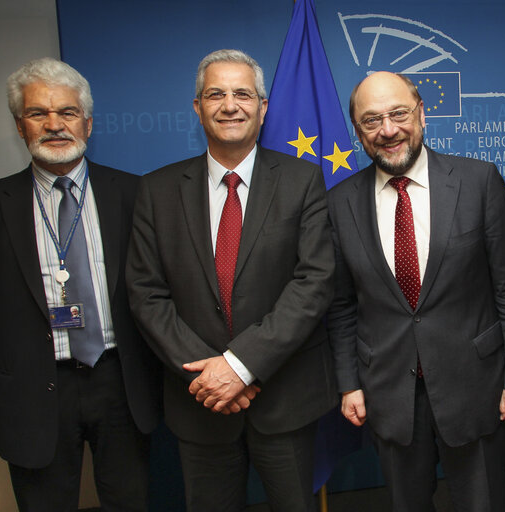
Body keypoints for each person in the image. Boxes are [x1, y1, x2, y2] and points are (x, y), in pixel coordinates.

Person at [125, 49, 336, 512]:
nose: (230, 105)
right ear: (197, 107)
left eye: (243, 93)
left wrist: (239, 366)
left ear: (263, 107)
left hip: (284, 398)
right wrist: (209, 374)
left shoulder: (303, 180)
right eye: (215, 94)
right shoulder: (157, 190)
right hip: (200, 403)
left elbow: (314, 282)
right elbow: (146, 293)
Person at [328, 71, 505, 512]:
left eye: (398, 114)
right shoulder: (340, 202)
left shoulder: (477, 181)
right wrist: (349, 383)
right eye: (371, 121)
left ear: (421, 113)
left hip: (475, 387)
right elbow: (341, 304)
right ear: (357, 132)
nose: (387, 130)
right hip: (387, 393)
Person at [0, 57, 161, 511]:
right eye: (39, 113)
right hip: (31, 390)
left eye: (68, 113)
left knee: (130, 501)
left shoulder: (138, 195)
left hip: (122, 383)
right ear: (21, 126)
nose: (54, 125)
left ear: (88, 123)